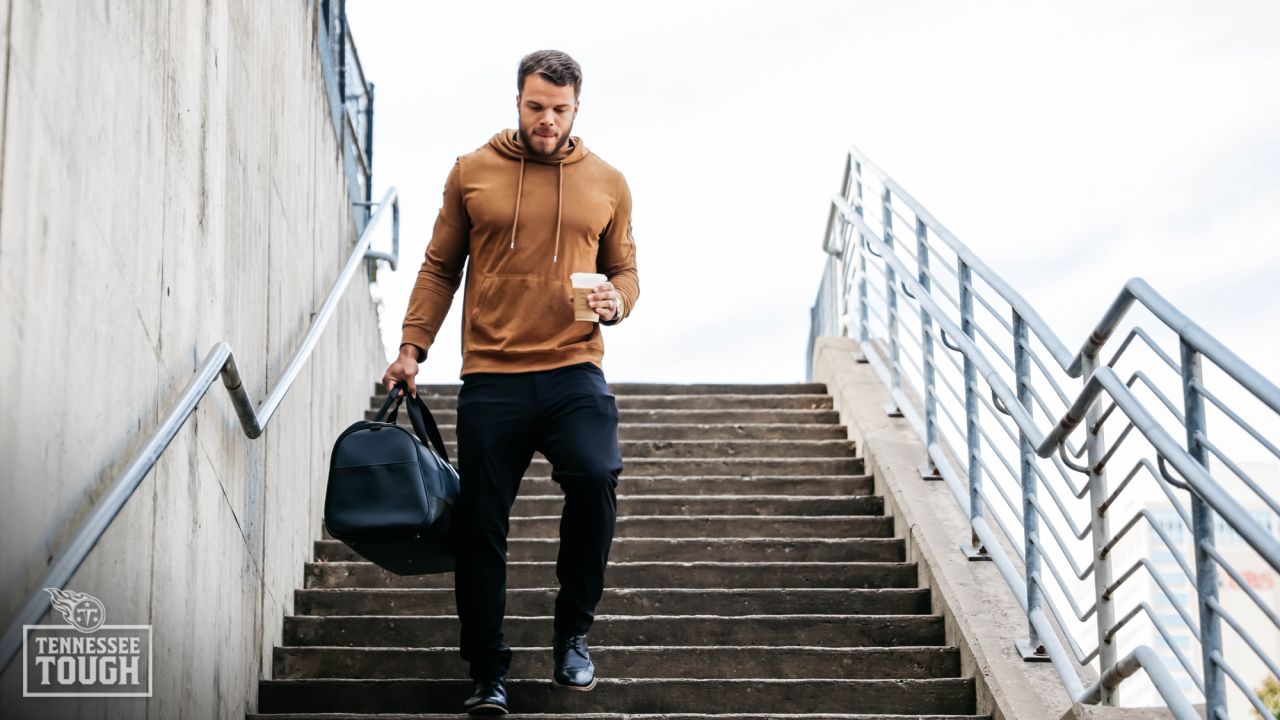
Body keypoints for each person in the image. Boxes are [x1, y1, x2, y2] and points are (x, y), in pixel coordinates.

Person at [380, 49, 639, 716]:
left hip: (574, 368)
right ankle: (488, 669)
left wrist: (618, 300)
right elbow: (440, 268)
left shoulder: (608, 182)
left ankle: (573, 629)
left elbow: (626, 272)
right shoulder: (473, 173)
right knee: (481, 527)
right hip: (492, 376)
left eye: (558, 109)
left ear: (577, 107)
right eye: (534, 107)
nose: (546, 120)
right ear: (517, 102)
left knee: (595, 474)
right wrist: (412, 349)